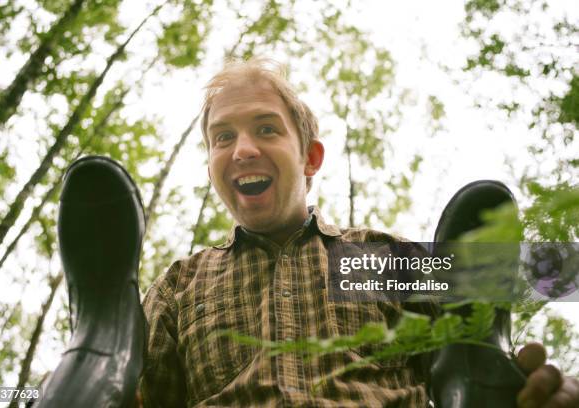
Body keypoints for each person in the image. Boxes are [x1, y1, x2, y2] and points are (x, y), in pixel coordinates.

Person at [140, 58, 579, 407]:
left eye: (266, 128)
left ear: (310, 160)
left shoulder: (381, 258)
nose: (244, 149)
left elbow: (490, 332)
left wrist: (544, 389)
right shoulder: (180, 286)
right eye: (222, 137)